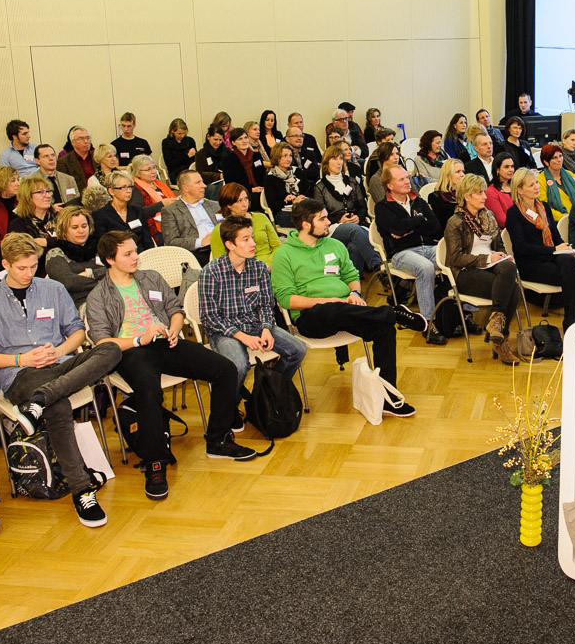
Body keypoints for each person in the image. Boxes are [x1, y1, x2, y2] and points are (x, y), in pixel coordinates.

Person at [0, 233, 122, 526]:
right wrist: (20, 360)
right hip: (20, 374)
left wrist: (60, 350)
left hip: (61, 364)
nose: (29, 274)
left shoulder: (52, 289)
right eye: (21, 268)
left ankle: (40, 402)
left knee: (111, 348)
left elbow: (77, 331)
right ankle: (82, 490)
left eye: (33, 267)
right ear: (5, 265)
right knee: (59, 407)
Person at [88, 230, 255, 496]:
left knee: (225, 369)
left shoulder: (150, 277)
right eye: (128, 254)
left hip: (166, 342)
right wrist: (138, 339)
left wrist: (175, 329)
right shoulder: (99, 296)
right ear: (110, 259)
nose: (135, 257)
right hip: (131, 351)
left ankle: (218, 440)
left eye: (135, 251)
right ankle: (155, 461)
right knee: (149, 392)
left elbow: (175, 310)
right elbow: (101, 342)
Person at [273, 198, 421, 408]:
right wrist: (327, 300)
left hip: (347, 310)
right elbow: (287, 299)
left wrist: (355, 293)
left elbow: (352, 275)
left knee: (384, 328)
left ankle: (389, 398)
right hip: (311, 318)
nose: (328, 223)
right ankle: (392, 313)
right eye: (322, 219)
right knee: (333, 308)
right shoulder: (284, 255)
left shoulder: (333, 244)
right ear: (306, 224)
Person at [198, 215, 310, 433]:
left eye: (252, 238)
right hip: (224, 331)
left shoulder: (258, 268)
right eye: (245, 239)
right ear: (230, 245)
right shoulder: (211, 273)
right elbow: (210, 318)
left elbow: (267, 305)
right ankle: (231, 405)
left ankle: (266, 393)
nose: (253, 244)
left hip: (256, 325)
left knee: (297, 350)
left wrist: (267, 328)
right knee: (238, 366)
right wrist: (242, 336)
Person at [442, 174, 521, 364]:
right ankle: (500, 341)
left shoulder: (488, 216)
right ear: (467, 196)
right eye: (479, 193)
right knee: (513, 290)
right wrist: (486, 258)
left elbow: (499, 245)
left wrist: (502, 255)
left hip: (491, 266)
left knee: (509, 267)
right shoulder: (455, 222)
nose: (484, 196)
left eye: (484, 192)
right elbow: (455, 258)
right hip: (465, 273)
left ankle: (495, 327)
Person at [504, 169, 575, 333]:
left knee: (569, 261)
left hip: (550, 255)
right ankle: (572, 320)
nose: (536, 187)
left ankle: (571, 319)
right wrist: (555, 249)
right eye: (531, 185)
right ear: (519, 190)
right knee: (572, 275)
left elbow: (554, 235)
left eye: (536, 183)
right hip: (530, 263)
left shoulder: (543, 207)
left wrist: (564, 248)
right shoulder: (514, 213)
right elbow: (521, 247)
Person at [375, 166, 444, 344]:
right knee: (426, 268)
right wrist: (420, 220)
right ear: (389, 185)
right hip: (401, 253)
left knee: (453, 258)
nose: (407, 181)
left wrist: (409, 226)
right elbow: (397, 229)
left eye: (407, 177)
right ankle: (428, 323)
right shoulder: (382, 207)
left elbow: (436, 227)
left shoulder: (417, 200)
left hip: (428, 247)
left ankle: (462, 313)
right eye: (401, 179)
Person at [312, 144, 380, 274]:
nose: (339, 162)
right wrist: (339, 220)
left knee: (353, 247)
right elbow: (320, 215)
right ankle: (377, 264)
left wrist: (357, 217)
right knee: (354, 230)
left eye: (341, 159)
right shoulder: (320, 187)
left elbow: (363, 206)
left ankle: (355, 281)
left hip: (356, 224)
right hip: (332, 227)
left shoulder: (352, 181)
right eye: (335, 159)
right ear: (327, 162)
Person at [44, 206, 104, 306]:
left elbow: (118, 270)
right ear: (63, 230)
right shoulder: (56, 254)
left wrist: (90, 273)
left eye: (84, 226)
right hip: (79, 305)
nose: (81, 231)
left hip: (110, 297)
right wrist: (104, 281)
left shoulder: (101, 248)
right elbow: (69, 282)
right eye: (75, 227)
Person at [209, 184, 281, 266]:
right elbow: (220, 261)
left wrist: (270, 264)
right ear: (228, 205)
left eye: (246, 199)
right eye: (239, 201)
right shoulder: (219, 230)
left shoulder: (261, 218)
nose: (245, 204)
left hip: (271, 264)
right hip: (243, 271)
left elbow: (277, 246)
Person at [161, 170, 220, 266]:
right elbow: (171, 242)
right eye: (198, 182)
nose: (204, 185)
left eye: (202, 182)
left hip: (222, 245)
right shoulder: (170, 211)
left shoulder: (214, 205)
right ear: (186, 188)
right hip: (197, 253)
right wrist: (201, 242)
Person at [93, 170, 156, 252]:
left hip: (141, 255)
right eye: (123, 187)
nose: (129, 190)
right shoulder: (100, 215)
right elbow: (104, 246)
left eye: (130, 187)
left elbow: (147, 241)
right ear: (111, 191)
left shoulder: (138, 212)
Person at [7, 176, 58, 275]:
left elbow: (75, 242)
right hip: (38, 274)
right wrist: (59, 242)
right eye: (41, 192)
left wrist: (46, 242)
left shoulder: (60, 218)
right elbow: (29, 254)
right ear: (28, 197)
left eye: (48, 191)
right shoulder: (18, 225)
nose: (47, 195)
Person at [130, 155, 179, 243]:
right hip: (153, 229)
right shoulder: (135, 189)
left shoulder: (159, 184)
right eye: (148, 169)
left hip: (170, 222)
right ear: (137, 173)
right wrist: (162, 204)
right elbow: (136, 213)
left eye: (154, 168)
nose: (153, 172)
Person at [265, 142, 305, 228]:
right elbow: (272, 205)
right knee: (307, 218)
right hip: (282, 213)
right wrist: (290, 201)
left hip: (302, 208)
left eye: (290, 156)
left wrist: (302, 197)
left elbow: (308, 190)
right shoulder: (270, 178)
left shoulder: (297, 172)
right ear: (277, 157)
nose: (288, 159)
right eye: (285, 156)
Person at [27, 144, 79, 209]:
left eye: (53, 155)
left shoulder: (69, 179)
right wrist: (51, 210)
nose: (51, 158)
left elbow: (77, 202)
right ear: (37, 161)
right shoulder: (29, 180)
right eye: (46, 156)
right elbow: (27, 206)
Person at [537, 143, 575, 218]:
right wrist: (564, 217)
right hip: (558, 220)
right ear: (546, 162)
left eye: (560, 156)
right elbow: (544, 207)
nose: (559, 160)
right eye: (555, 158)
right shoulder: (541, 180)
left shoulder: (569, 174)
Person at [222, 125, 267, 200]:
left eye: (246, 138)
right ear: (233, 143)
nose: (244, 141)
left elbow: (263, 175)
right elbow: (231, 183)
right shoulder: (228, 160)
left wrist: (262, 188)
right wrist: (251, 189)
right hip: (241, 194)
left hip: (261, 190)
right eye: (240, 139)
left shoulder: (256, 156)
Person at [285, 114, 323, 184]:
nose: (299, 138)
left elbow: (315, 171)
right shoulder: (284, 152)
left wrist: (301, 172)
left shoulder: (309, 152)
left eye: (301, 136)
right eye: (295, 136)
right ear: (287, 139)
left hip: (311, 184)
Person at [57, 127, 96, 192]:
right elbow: (65, 187)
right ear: (73, 142)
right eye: (81, 139)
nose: (86, 141)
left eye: (88, 138)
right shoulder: (64, 162)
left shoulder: (97, 157)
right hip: (78, 196)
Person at [429, 158, 465, 225]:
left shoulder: (467, 193)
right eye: (458, 172)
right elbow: (439, 225)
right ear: (447, 175)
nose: (462, 174)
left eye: (463, 171)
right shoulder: (435, 197)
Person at [485, 154, 516, 228]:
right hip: (507, 231)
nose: (511, 170)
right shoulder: (491, 192)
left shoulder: (517, 186)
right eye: (506, 167)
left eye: (512, 166)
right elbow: (501, 221)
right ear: (497, 170)